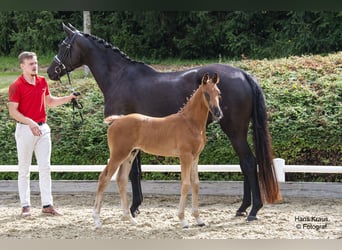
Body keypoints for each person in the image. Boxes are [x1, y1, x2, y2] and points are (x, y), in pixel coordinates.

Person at [8, 51, 78, 217]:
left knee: (45, 167)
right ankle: (25, 205)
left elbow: (50, 102)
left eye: (36, 63)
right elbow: (13, 112)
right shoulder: (16, 85)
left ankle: (47, 204)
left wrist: (69, 98)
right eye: (31, 63)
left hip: (43, 129)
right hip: (25, 129)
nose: (35, 66)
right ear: (22, 66)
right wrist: (29, 122)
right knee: (24, 169)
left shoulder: (42, 81)